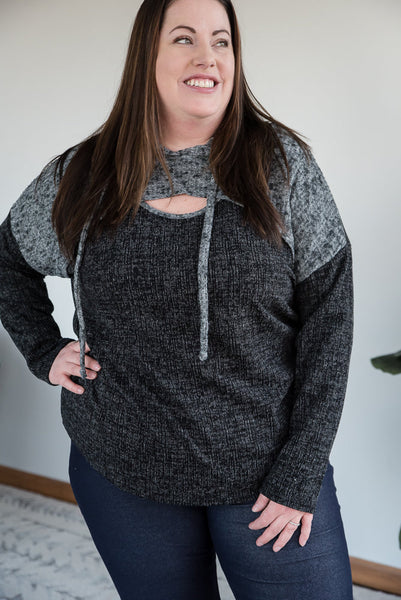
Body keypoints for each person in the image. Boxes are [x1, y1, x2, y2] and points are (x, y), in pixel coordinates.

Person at [0, 0, 354, 598]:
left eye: (222, 41)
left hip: (265, 478)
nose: (207, 57)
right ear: (148, 55)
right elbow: (8, 260)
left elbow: (330, 320)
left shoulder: (281, 166)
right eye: (185, 38)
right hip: (121, 473)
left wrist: (301, 469)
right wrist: (43, 349)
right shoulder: (84, 175)